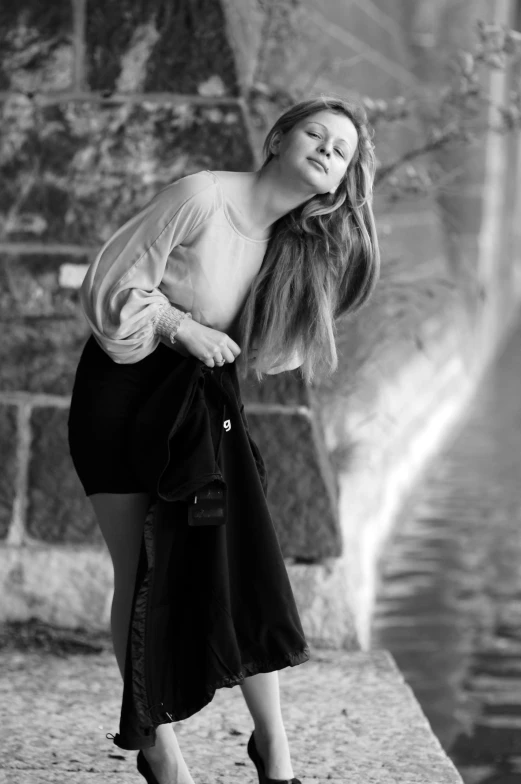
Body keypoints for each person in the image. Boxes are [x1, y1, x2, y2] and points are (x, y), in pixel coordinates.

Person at [67, 94, 380, 784]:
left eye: (342, 151)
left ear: (339, 182)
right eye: (315, 133)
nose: (327, 148)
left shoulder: (294, 247)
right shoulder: (201, 197)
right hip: (123, 394)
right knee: (143, 572)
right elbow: (107, 283)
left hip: (211, 407)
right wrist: (181, 327)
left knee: (242, 553)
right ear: (277, 138)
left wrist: (321, 255)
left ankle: (274, 748)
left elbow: (276, 355)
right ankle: (160, 749)